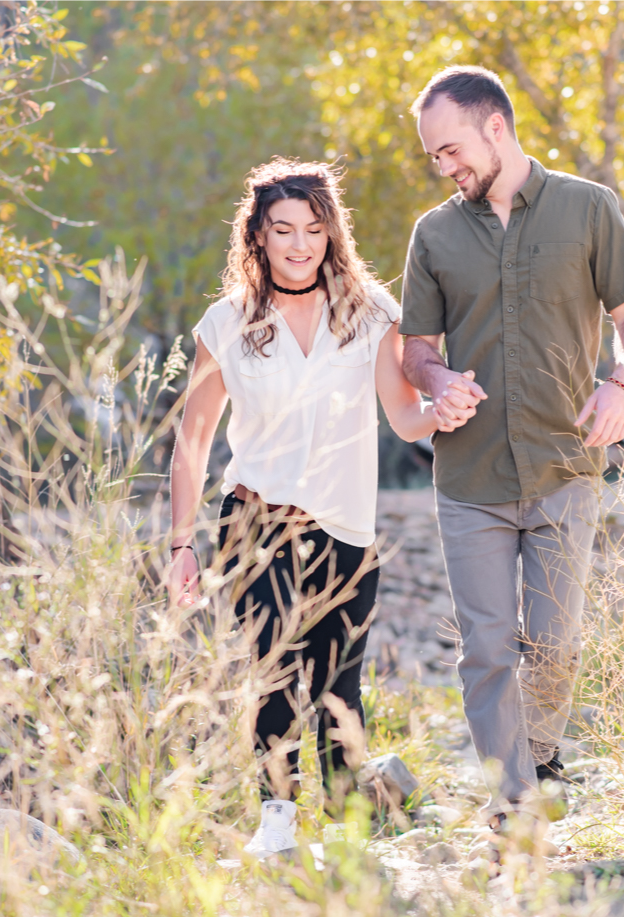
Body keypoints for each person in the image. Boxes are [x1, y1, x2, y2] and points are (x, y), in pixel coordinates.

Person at [167, 159, 455, 859]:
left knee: (337, 689)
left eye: (313, 229)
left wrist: (445, 409)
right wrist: (180, 544)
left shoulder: (371, 312)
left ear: (332, 234)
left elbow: (404, 418)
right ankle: (277, 822)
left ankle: (355, 813)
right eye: (283, 229)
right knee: (272, 670)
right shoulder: (227, 322)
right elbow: (193, 440)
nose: (299, 244)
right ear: (257, 236)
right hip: (255, 522)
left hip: (345, 526)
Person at [398, 66, 624, 818]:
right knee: (486, 649)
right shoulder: (434, 234)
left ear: (495, 127)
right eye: (434, 157)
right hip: (469, 475)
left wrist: (623, 386)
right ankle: (513, 802)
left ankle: (540, 758)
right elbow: (416, 349)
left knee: (554, 647)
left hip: (565, 465)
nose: (444, 167)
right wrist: (438, 380)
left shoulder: (588, 207)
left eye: (451, 150)